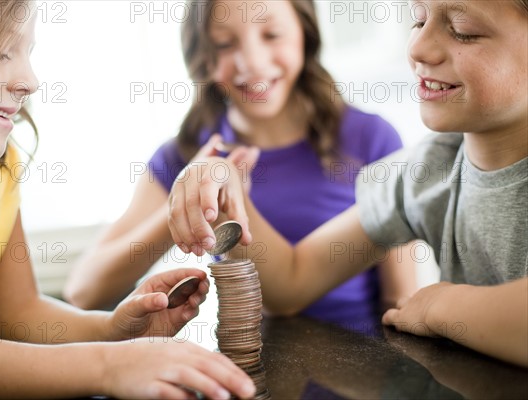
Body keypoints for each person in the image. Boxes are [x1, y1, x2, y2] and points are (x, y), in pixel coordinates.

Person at [166, 0, 528, 367]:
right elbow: (291, 284)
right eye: (419, 20)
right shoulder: (425, 172)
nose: (418, 48)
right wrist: (228, 194)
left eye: (462, 30)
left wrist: (441, 306)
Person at [0, 1, 255, 398]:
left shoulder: (0, 165)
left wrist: (114, 330)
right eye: (1, 51)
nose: (30, 81)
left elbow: (20, 314)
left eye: (28, 53)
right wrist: (111, 365)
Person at [64, 0, 417, 323]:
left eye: (271, 34)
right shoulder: (184, 155)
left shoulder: (372, 139)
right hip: (245, 370)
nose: (252, 62)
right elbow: (83, 292)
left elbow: (400, 298)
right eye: (224, 43)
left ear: (305, 34)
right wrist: (188, 203)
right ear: (202, 56)